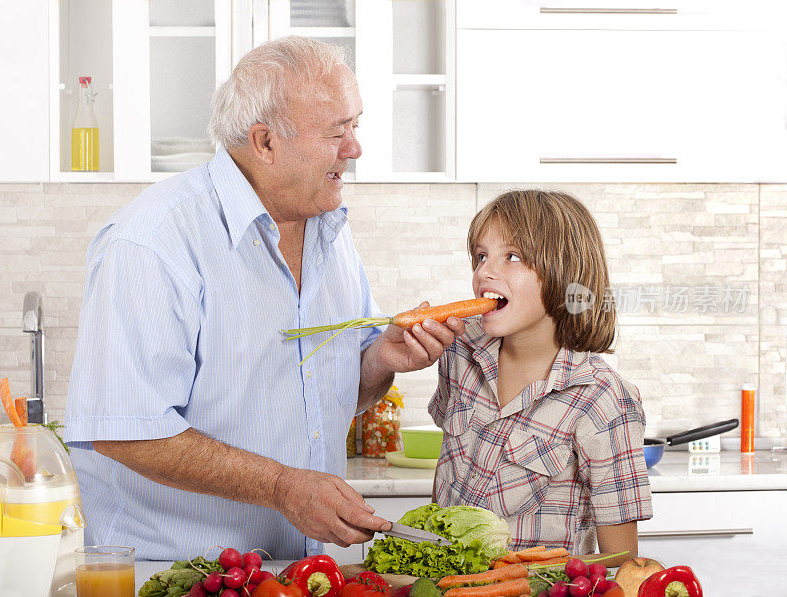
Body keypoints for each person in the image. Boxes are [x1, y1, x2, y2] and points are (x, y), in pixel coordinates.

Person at [64, 36, 465, 561]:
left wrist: (380, 360)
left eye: (355, 126)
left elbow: (325, 398)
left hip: (293, 571)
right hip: (170, 574)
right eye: (336, 132)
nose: (355, 148)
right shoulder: (153, 241)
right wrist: (281, 486)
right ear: (265, 142)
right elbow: (126, 430)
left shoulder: (330, 231)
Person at [429, 189, 652, 564]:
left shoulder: (602, 398)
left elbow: (621, 563)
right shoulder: (458, 351)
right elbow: (444, 487)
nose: (485, 270)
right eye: (481, 256)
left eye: (511, 256)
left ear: (563, 274)